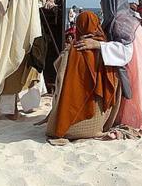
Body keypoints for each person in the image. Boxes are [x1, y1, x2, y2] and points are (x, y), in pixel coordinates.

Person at [74, 0, 142, 135]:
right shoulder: (122, 18)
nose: (101, 4)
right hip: (141, 61)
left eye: (103, 0)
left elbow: (125, 51)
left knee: (136, 99)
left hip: (136, 65)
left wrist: (98, 45)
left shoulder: (121, 22)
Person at [45, 11, 119, 140]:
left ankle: (70, 125)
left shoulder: (72, 50)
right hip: (95, 123)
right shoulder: (106, 48)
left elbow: (58, 69)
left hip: (67, 117)